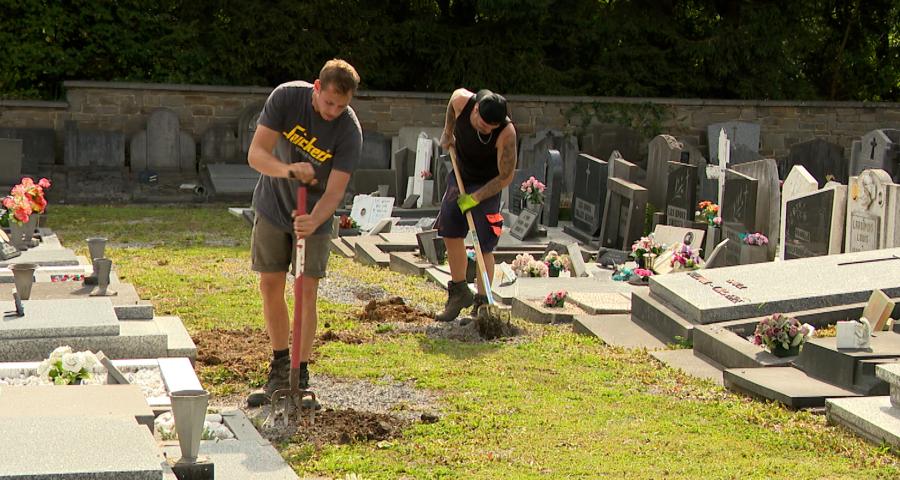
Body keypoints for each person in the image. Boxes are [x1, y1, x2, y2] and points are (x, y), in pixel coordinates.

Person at [246, 59, 362, 407]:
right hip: (273, 204)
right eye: (329, 102)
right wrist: (288, 170)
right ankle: (281, 366)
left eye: (342, 106)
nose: (333, 111)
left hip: (315, 214)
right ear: (317, 87)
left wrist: (314, 220)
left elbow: (335, 191)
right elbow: (256, 154)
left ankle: (301, 371)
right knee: (270, 284)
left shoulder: (349, 131)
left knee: (306, 290)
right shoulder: (286, 98)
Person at [434, 88, 517, 322]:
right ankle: (459, 292)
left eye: (491, 127)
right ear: (477, 109)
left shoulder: (506, 133)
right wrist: (448, 132)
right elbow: (452, 102)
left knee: (483, 243)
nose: (486, 130)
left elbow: (505, 177)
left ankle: (482, 302)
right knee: (450, 229)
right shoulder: (463, 101)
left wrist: (476, 197)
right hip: (461, 174)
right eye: (483, 124)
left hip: (488, 185)